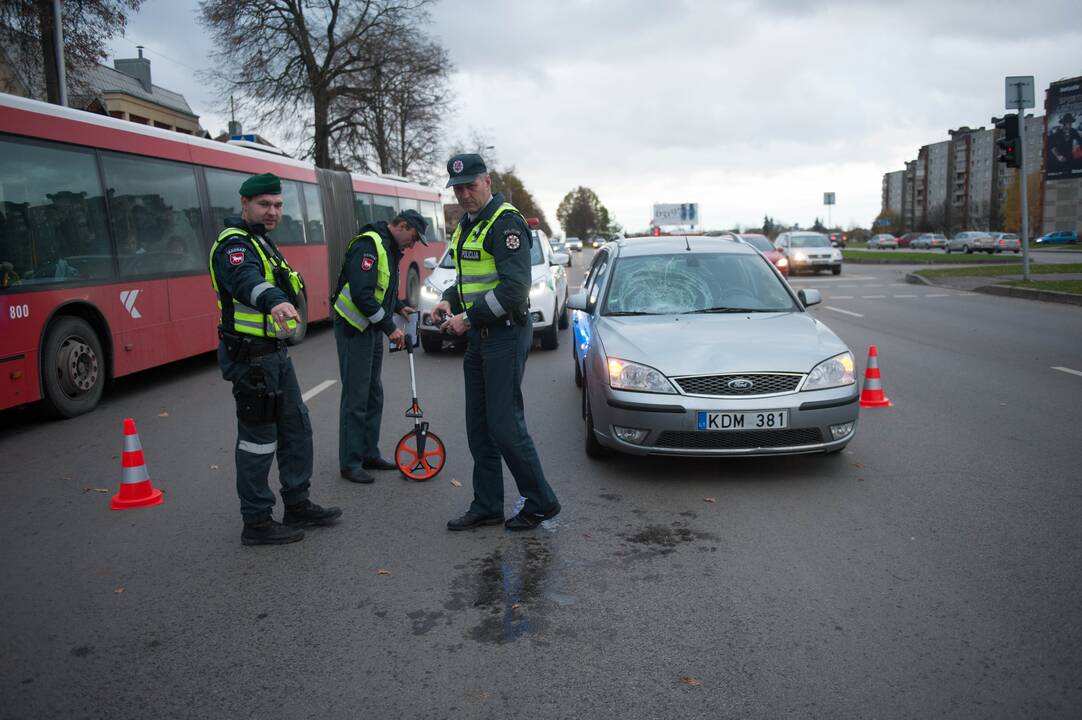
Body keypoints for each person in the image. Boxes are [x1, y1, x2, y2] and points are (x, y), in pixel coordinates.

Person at [209, 172, 341, 546]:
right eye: (264, 204)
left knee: (296, 428)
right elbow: (245, 279)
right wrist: (274, 299)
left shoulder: (261, 241)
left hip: (274, 356)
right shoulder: (234, 245)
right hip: (250, 358)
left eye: (278, 205)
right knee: (258, 441)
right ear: (244, 204)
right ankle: (257, 522)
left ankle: (297, 503)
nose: (272, 211)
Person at [433, 153, 561, 532]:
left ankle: (540, 502)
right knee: (479, 427)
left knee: (505, 424)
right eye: (458, 188)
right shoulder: (467, 226)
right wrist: (448, 300)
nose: (464, 194)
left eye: (471, 185)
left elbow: (514, 290)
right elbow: (471, 280)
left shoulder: (505, 223)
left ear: (487, 181)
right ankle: (487, 504)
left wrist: (467, 318)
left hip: (505, 334)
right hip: (480, 338)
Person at [332, 209, 428, 483]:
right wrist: (390, 328)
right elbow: (362, 295)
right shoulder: (369, 245)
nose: (412, 245)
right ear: (402, 226)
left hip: (370, 327)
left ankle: (368, 453)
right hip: (354, 328)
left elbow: (380, 288)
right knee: (356, 396)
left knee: (373, 393)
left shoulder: (388, 247)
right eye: (413, 237)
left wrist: (399, 307)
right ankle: (350, 463)